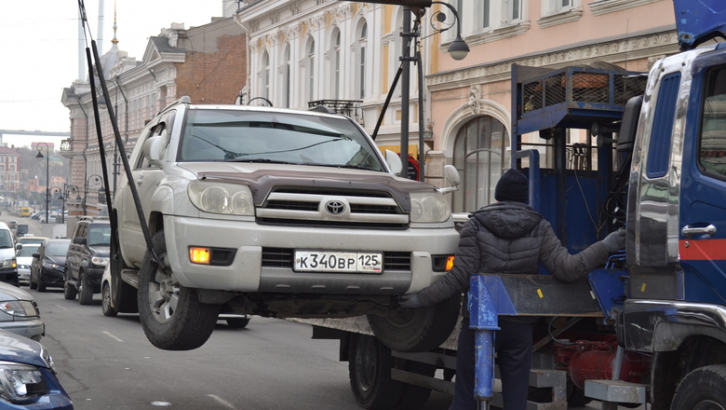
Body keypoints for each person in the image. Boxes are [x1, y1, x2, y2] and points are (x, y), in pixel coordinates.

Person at [399, 168, 625, 410]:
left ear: (498, 196)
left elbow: (458, 278)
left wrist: (420, 299)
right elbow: (568, 269)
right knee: (516, 402)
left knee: (465, 398)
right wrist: (605, 245)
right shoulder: (540, 227)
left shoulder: (475, 225)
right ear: (524, 199)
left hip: (479, 324)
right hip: (519, 325)